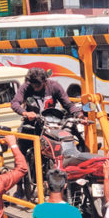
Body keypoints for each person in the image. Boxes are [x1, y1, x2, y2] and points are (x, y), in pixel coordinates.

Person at [10, 67, 82, 197]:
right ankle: (19, 188)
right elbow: (15, 103)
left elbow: (68, 104)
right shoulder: (25, 87)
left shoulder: (54, 86)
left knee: (72, 142)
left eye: (39, 85)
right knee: (20, 154)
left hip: (51, 124)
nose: (36, 88)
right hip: (31, 125)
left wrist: (78, 114)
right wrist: (25, 113)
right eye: (33, 85)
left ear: (45, 81)